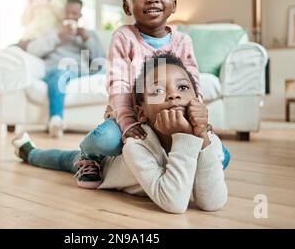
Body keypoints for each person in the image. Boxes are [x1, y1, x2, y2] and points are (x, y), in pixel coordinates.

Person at [57, 0, 230, 188]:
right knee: (105, 140)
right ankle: (89, 156)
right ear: (127, 7)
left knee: (222, 157)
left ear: (174, 3)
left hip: (167, 115)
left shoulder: (183, 41)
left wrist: (198, 116)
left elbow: (193, 83)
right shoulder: (123, 37)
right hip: (131, 116)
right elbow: (118, 84)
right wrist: (128, 124)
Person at [12, 53, 228, 213]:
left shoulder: (208, 139)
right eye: (158, 91)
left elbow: (213, 202)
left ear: (198, 100)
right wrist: (183, 138)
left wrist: (202, 137)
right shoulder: (138, 143)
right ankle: (29, 151)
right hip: (106, 165)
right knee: (62, 159)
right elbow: (174, 203)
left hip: (192, 142)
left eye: (182, 88)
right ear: (141, 112)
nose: (173, 96)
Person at [26, 0, 105, 137]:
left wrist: (86, 39)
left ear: (80, 16)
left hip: (80, 71)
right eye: (67, 13)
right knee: (59, 74)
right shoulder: (54, 31)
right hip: (57, 69)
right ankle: (56, 119)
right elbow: (32, 50)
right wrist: (58, 36)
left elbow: (100, 60)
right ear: (63, 14)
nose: (70, 16)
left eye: (74, 13)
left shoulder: (89, 34)